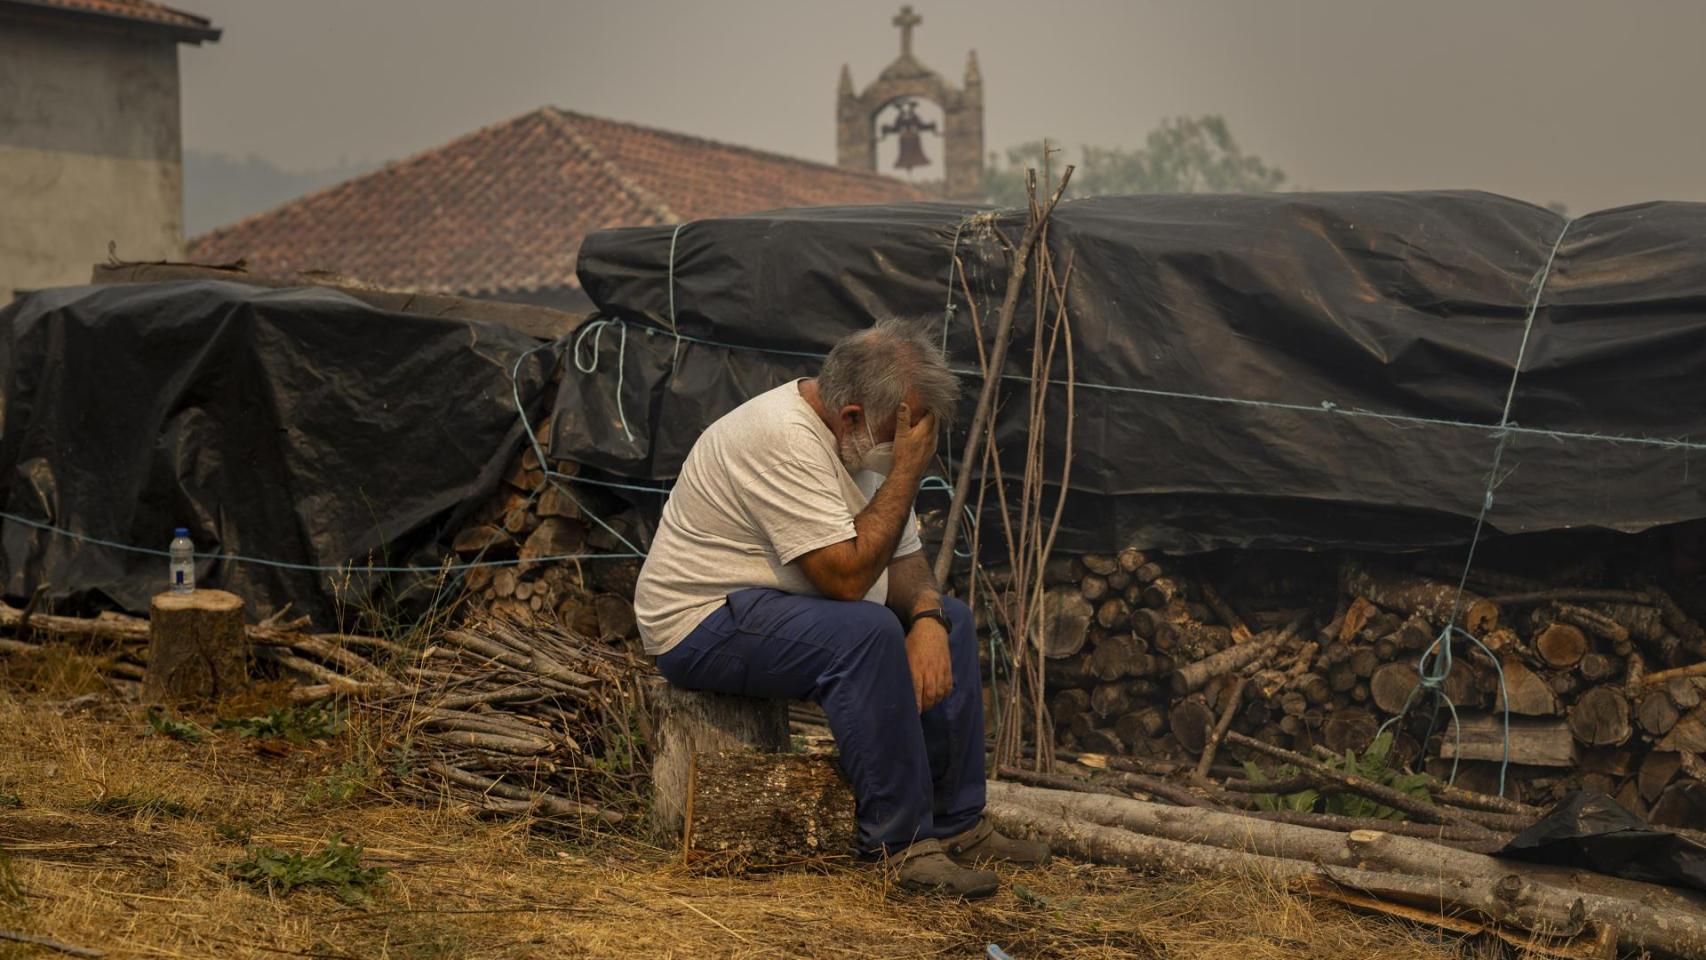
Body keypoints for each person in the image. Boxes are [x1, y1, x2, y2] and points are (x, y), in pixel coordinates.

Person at [635, 318, 1048, 898]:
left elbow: (902, 562)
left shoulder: (858, 440)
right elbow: (847, 581)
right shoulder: (782, 437)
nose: (912, 443)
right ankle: (901, 847)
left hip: (776, 609)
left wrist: (926, 618)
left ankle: (958, 826)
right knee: (867, 631)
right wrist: (907, 471)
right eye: (902, 432)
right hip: (699, 620)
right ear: (853, 416)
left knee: (948, 620)